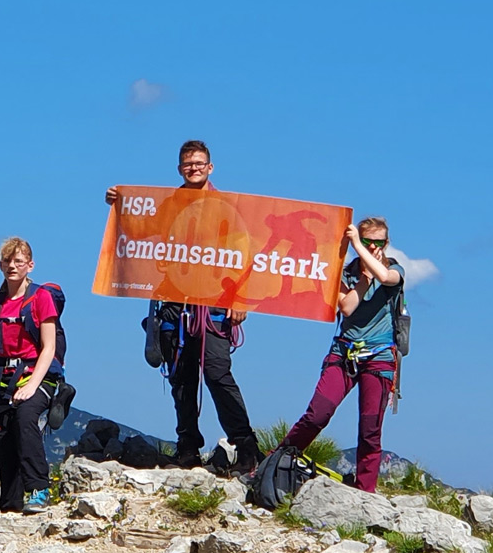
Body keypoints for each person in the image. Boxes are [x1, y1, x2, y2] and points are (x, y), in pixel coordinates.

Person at [106, 139, 256, 470]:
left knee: (218, 373)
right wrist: (119, 206)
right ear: (179, 169)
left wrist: (240, 298)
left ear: (210, 167)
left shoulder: (225, 207)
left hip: (214, 303)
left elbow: (244, 256)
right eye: (188, 165)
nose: (194, 169)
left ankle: (245, 446)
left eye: (199, 164)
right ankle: (187, 445)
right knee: (182, 376)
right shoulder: (171, 204)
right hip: (174, 299)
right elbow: (142, 230)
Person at [276, 217, 404, 492]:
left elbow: (385, 278)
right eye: (366, 241)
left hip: (379, 357)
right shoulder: (342, 274)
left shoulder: (395, 270)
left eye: (377, 242)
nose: (371, 247)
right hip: (344, 352)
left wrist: (358, 247)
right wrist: (362, 277)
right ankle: (276, 461)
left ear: (386, 243)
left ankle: (365, 491)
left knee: (370, 429)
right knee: (317, 414)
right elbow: (346, 307)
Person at [0, 236, 59, 513]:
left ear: (29, 265)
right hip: (4, 378)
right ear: (0, 265)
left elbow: (49, 348)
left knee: (25, 419)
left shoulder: (41, 299)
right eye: (8, 261)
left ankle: (39, 488)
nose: (13, 266)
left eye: (18, 261)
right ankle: (10, 504)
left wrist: (33, 386)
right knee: (4, 439)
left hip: (38, 375)